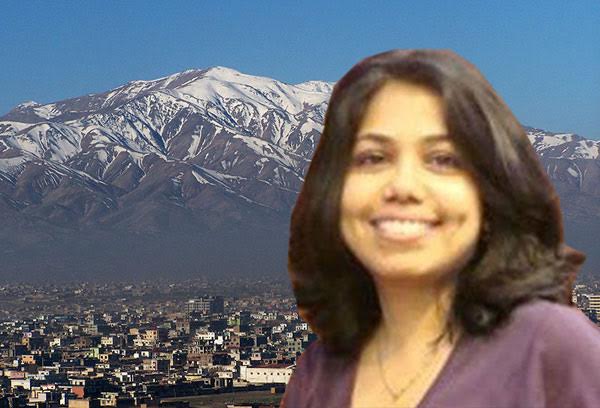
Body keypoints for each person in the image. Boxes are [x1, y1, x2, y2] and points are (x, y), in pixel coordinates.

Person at [282, 49, 600, 408]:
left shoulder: (548, 349)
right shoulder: (320, 371)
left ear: (491, 192)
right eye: (373, 157)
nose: (403, 186)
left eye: (442, 159)